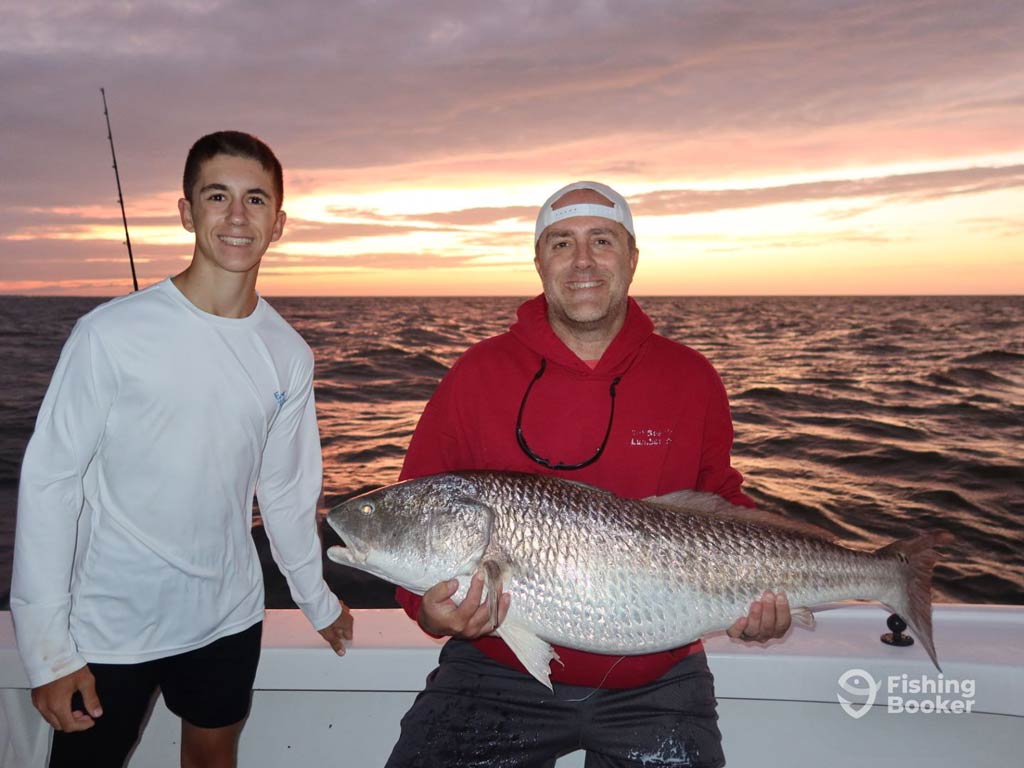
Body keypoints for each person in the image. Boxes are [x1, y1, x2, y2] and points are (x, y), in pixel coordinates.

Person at [386, 181, 791, 767]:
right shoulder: (476, 374)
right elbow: (418, 507)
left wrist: (762, 599)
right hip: (494, 663)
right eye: (561, 243)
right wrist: (424, 607)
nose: (582, 262)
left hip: (660, 676)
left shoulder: (691, 377)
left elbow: (720, 503)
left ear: (631, 258)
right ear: (538, 262)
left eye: (601, 241)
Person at [10, 130, 353, 768]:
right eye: (216, 195)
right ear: (186, 211)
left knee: (211, 758)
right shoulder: (109, 334)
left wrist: (317, 598)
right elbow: (50, 482)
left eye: (255, 200)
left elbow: (283, 491)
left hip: (227, 614)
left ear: (278, 222)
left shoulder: (288, 354)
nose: (235, 216)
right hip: (110, 621)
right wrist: (48, 650)